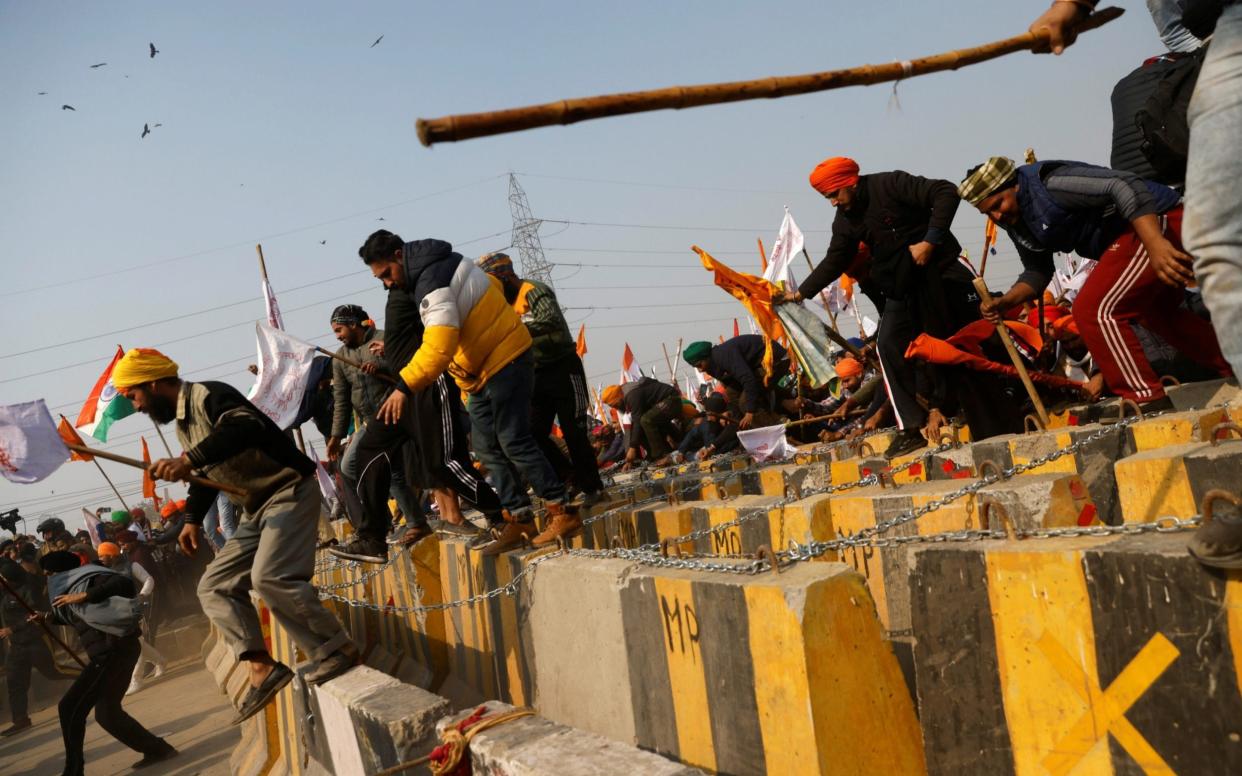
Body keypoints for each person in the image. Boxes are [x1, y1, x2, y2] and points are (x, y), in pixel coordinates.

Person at [111, 347, 356, 724]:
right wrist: (192, 518)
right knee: (213, 586)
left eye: (134, 395)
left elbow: (244, 427)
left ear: (154, 383)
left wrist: (186, 461)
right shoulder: (182, 423)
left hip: (288, 491)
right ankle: (261, 667)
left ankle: (333, 648)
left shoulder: (210, 395)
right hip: (254, 508)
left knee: (270, 578)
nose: (136, 405)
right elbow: (205, 475)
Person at [356, 232, 581, 556]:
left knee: (513, 439)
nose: (387, 284)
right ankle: (518, 519)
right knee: (487, 449)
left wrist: (404, 386)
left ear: (398, 255)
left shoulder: (434, 278)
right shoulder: (425, 275)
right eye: (380, 279)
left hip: (506, 360)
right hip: (479, 374)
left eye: (387, 274)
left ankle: (562, 511)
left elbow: (439, 345)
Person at [958, 156, 1230, 409]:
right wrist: (1006, 301)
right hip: (1128, 239)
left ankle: (1145, 399)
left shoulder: (1051, 185)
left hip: (1156, 221)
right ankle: (1231, 363)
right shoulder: (1016, 222)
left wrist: (1155, 242)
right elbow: (1037, 271)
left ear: (1014, 186)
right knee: (1155, 313)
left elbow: (1122, 184)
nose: (997, 216)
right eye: (987, 213)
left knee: (1094, 310)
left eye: (998, 205)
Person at [776, 156, 979, 459]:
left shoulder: (890, 184)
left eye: (834, 194)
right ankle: (911, 427)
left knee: (945, 339)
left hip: (940, 268)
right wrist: (801, 293)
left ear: (851, 183)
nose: (832, 202)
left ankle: (951, 406)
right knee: (888, 345)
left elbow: (946, 192)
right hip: (902, 282)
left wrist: (930, 241)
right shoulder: (844, 220)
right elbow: (836, 258)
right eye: (826, 197)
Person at [477, 253, 606, 506]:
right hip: (535, 375)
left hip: (563, 368)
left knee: (574, 430)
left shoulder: (533, 290)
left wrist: (511, 327)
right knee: (531, 432)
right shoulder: (503, 306)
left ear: (503, 275)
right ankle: (568, 476)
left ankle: (593, 487)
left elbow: (550, 320)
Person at [33, 550, 178, 773]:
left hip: (111, 651)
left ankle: (73, 770)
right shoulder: (70, 588)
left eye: (50, 573)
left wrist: (87, 595)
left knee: (69, 708)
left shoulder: (89, 576)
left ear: (61, 570)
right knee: (107, 713)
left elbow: (123, 584)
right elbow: (78, 617)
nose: (48, 578)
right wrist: (46, 617)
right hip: (113, 651)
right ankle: (158, 749)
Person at [323, 304, 429, 540]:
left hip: (400, 411)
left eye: (339, 330)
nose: (338, 336)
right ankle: (384, 522)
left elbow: (411, 367)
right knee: (349, 466)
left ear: (353, 324)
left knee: (401, 470)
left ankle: (415, 522)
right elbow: (341, 400)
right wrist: (335, 437)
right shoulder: (340, 359)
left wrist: (382, 364)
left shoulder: (385, 339)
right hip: (372, 421)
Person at [0, 558, 71, 737]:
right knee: (15, 682)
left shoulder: (27, 590)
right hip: (16, 646)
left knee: (55, 671)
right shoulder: (6, 593)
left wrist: (12, 629)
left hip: (35, 641)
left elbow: (33, 616)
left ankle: (92, 677)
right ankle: (21, 720)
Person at [683, 336, 799, 429]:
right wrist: (736, 418)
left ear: (706, 357)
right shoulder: (711, 366)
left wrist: (750, 412)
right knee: (732, 393)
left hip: (775, 361)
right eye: (695, 367)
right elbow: (732, 386)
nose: (700, 370)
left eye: (699, 365)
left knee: (746, 401)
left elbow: (748, 379)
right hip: (756, 367)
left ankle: (777, 426)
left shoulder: (723, 355)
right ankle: (751, 427)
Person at [96, 542, 166, 696]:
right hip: (118, 613)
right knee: (137, 642)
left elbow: (149, 579)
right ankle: (159, 661)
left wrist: (143, 594)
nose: (100, 558)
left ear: (112, 554)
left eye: (102, 555)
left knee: (136, 643)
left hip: (134, 610)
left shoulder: (131, 566)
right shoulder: (104, 572)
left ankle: (136, 679)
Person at [601, 378, 684, 467]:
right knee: (640, 427)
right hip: (660, 406)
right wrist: (629, 458)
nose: (617, 408)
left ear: (619, 396)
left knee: (646, 420)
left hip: (672, 400)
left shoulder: (632, 395)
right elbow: (633, 428)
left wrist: (632, 449)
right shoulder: (627, 396)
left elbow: (637, 422)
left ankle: (660, 455)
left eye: (616, 405)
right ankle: (657, 453)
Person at [672, 394, 740, 461]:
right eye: (707, 415)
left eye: (711, 415)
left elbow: (729, 434)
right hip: (710, 448)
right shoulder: (707, 423)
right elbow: (692, 434)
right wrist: (681, 452)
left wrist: (711, 448)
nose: (708, 418)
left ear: (719, 413)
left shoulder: (730, 418)